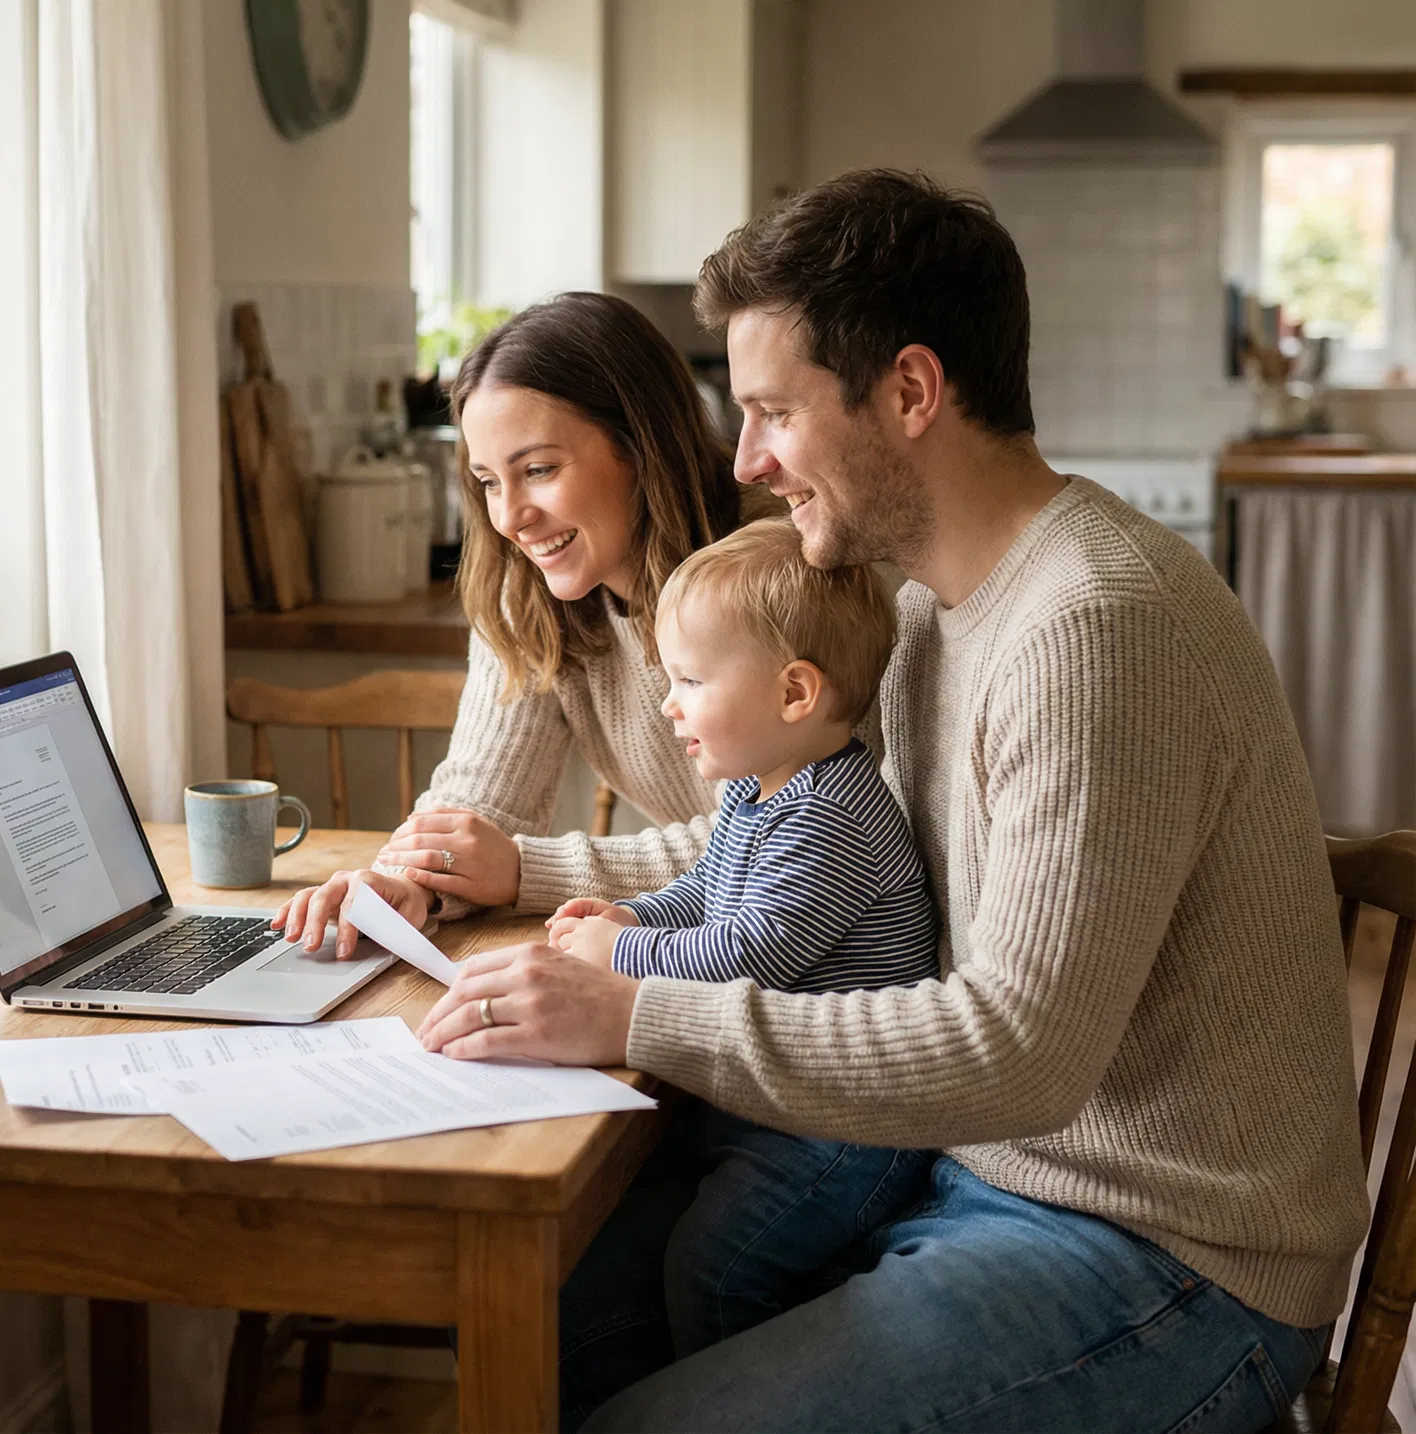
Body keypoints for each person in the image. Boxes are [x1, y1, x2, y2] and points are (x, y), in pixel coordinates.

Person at [415, 169, 1369, 1432]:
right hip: (974, 1178)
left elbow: (1016, 1050)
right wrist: (544, 887)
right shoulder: (920, 609)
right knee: (542, 1326)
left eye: (773, 414)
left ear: (910, 392)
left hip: (1163, 1254)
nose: (748, 459)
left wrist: (642, 1013)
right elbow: (792, 842)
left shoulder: (1096, 625)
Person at [273, 292, 771, 955]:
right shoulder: (532, 593)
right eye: (487, 481)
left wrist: (522, 869)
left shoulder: (773, 570)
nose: (509, 519)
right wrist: (407, 880)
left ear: (641, 445)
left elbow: (782, 835)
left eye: (537, 470)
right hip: (703, 935)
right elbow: (483, 796)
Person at [546, 515, 938, 1358]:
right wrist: (632, 918)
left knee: (715, 1266)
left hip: (845, 1128)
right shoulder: (760, 789)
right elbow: (709, 894)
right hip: (777, 1100)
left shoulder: (832, 817)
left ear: (794, 694)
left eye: (688, 680)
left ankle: (732, 1392)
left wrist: (614, 959)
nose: (668, 704)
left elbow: (746, 952)